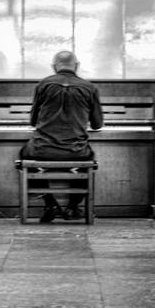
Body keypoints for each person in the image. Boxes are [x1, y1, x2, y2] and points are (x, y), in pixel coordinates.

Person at [20, 51, 104, 222]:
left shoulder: (42, 85)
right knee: (89, 158)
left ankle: (50, 204)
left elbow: (33, 121)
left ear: (53, 67)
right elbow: (97, 124)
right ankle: (73, 207)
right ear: (77, 65)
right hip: (76, 151)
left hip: (41, 149)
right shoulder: (90, 88)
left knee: (23, 155)